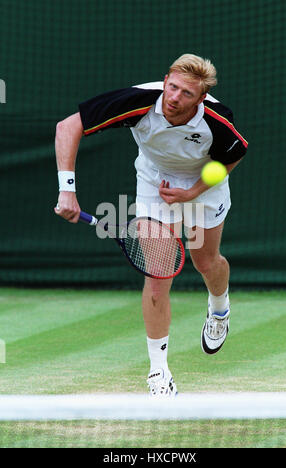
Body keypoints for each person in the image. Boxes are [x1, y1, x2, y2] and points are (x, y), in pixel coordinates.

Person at [54, 54, 248, 397]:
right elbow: (68, 126)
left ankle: (219, 309)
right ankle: (158, 374)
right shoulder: (138, 102)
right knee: (158, 277)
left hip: (203, 184)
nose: (174, 97)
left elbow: (231, 156)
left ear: (200, 98)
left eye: (186, 94)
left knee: (206, 261)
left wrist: (191, 192)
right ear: (165, 81)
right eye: (171, 87)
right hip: (154, 182)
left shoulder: (217, 121)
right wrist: (67, 191)